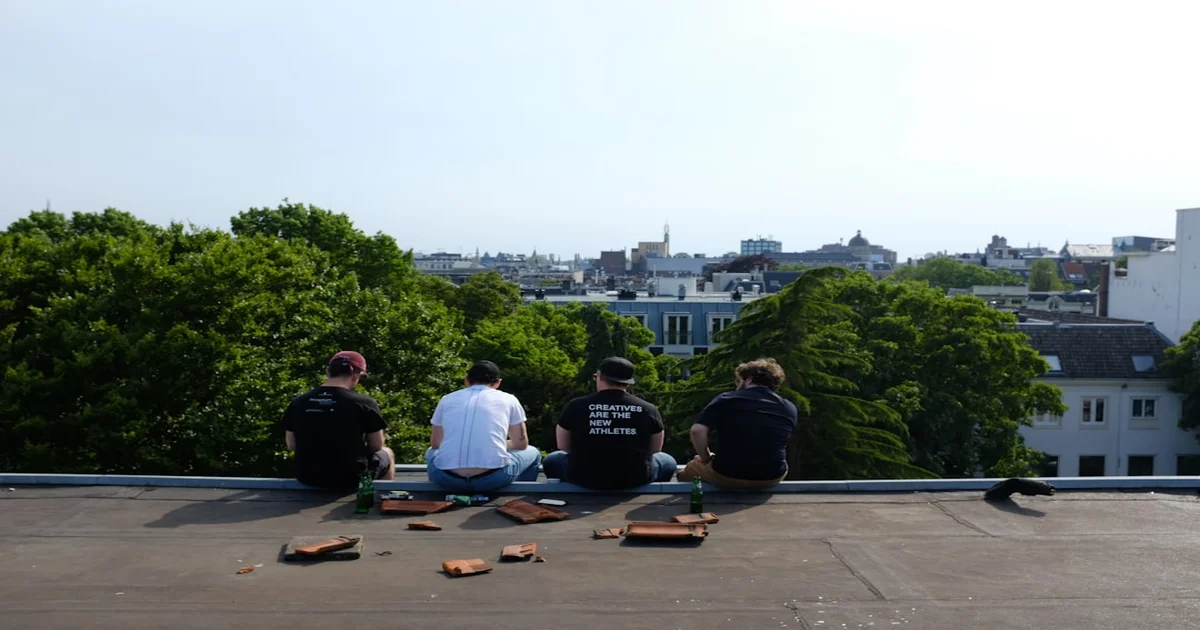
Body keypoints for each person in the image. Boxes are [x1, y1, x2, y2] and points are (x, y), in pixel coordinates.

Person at [544, 357, 677, 489]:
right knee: (668, 461)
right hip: (635, 477)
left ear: (600, 377)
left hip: (582, 476)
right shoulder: (648, 408)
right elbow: (655, 449)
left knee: (552, 459)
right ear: (628, 382)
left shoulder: (575, 406)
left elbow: (563, 446)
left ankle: (567, 491)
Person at [677, 358, 798, 489]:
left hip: (727, 474)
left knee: (688, 470)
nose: (737, 385)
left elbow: (697, 431)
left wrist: (705, 458)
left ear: (749, 379)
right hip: (771, 477)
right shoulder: (789, 407)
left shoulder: (727, 399)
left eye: (739, 380)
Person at [282, 351, 396, 488]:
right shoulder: (365, 403)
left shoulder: (299, 402)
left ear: (328, 371)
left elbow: (291, 444)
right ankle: (380, 498)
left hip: (307, 476)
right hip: (350, 477)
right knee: (387, 453)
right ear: (356, 375)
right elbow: (376, 446)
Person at [425, 361, 541, 492]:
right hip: (493, 478)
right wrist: (495, 444)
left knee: (431, 452)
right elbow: (521, 444)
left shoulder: (446, 399)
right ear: (498, 382)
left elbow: (435, 443)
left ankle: (436, 493)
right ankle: (517, 496)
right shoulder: (509, 399)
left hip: (447, 478)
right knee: (534, 453)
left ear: (467, 380)